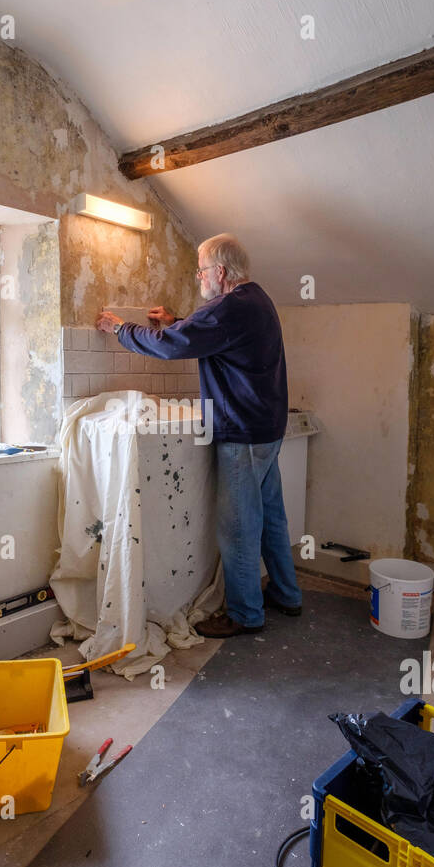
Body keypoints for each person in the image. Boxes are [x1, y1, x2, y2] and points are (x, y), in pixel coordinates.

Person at [96, 234, 302, 637]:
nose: (198, 275)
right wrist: (178, 322)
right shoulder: (256, 299)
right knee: (271, 517)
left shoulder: (228, 307)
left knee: (239, 527)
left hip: (242, 433)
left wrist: (122, 329)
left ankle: (246, 615)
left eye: (201, 268)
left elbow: (171, 348)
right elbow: (213, 338)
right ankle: (287, 594)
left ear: (220, 272)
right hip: (266, 429)